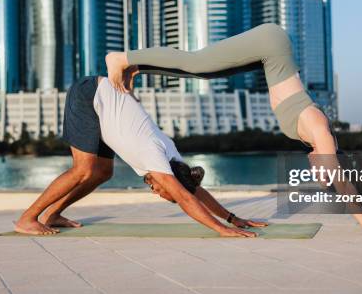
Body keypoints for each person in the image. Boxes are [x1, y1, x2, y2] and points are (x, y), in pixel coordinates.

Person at [105, 23, 362, 239]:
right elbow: (343, 183)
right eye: (324, 173)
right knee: (199, 63)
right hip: (270, 44)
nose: (320, 175)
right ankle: (122, 57)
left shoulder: (314, 139)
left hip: (267, 54)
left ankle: (137, 66)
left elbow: (344, 183)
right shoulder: (320, 132)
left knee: (205, 71)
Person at [14, 76, 266, 236]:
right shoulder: (156, 157)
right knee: (83, 169)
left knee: (102, 172)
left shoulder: (174, 159)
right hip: (89, 95)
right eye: (166, 195)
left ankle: (54, 214)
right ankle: (27, 218)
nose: (159, 194)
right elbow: (185, 198)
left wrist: (233, 218)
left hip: (102, 104)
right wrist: (221, 229)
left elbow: (192, 191)